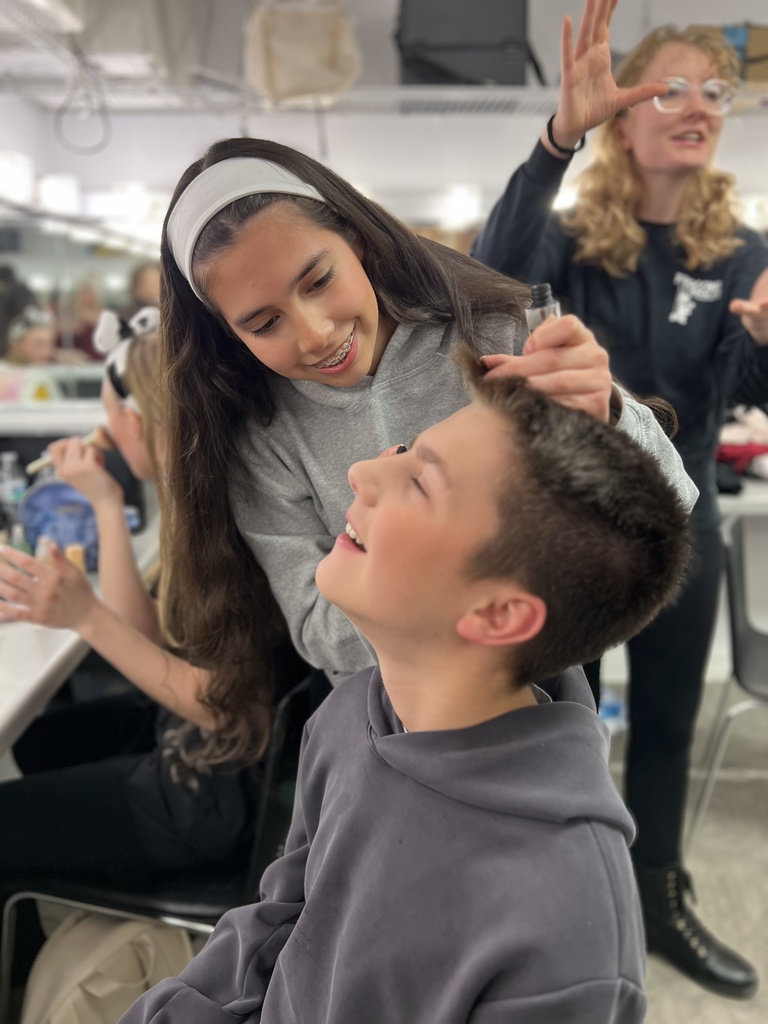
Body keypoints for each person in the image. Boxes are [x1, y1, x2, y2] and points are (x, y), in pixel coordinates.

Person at [117, 361, 691, 1024]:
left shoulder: (565, 920)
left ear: (498, 613)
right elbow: (278, 924)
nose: (362, 472)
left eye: (419, 481)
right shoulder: (349, 716)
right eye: (404, 449)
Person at [154, 134, 697, 730]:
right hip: (383, 726)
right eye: (263, 324)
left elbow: (664, 505)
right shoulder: (263, 439)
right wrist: (448, 611)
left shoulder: (497, 339)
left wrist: (607, 420)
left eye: (319, 281)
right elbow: (315, 628)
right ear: (228, 334)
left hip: (538, 702)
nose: (314, 334)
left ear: (355, 240)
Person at [471, 0, 768, 1000]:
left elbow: (753, 391)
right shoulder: (569, 241)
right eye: (671, 87)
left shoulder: (742, 254)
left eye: (714, 91)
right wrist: (558, 138)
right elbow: (487, 282)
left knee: (671, 726)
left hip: (688, 518)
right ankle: (566, 908)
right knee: (564, 724)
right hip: (575, 520)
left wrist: (767, 342)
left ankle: (657, 896)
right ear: (626, 112)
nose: (699, 105)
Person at [0, 306, 293, 888]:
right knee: (31, 744)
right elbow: (148, 640)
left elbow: (226, 708)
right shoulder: (197, 499)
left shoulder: (228, 525)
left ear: (135, 424)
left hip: (208, 796)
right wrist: (106, 502)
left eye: (109, 417)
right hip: (190, 744)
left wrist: (86, 615)